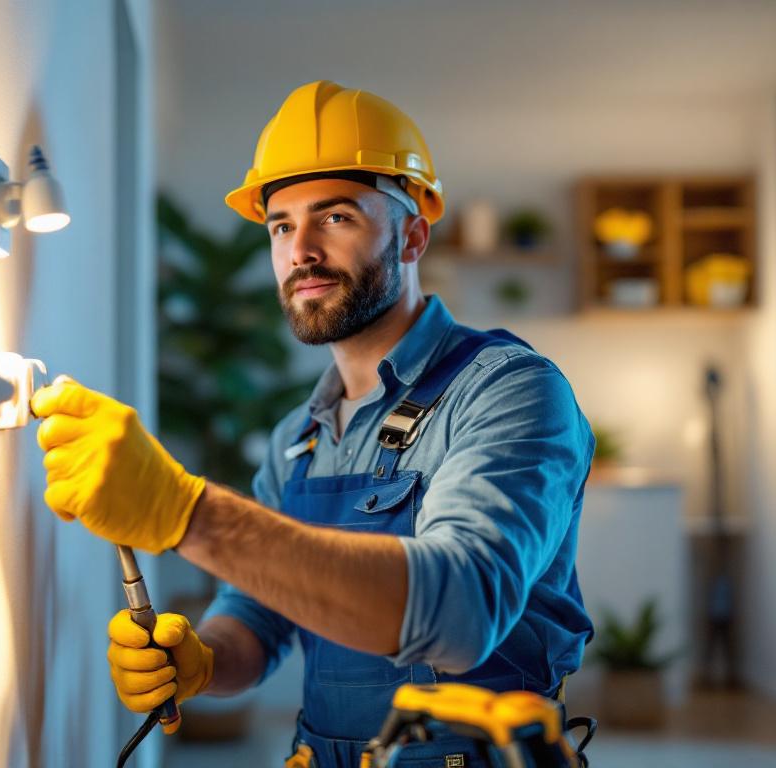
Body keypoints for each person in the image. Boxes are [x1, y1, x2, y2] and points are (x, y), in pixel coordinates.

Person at [30, 80, 595, 768]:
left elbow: (461, 612)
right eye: (280, 225)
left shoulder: (508, 391)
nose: (300, 250)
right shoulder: (298, 437)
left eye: (335, 218)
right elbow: (261, 619)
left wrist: (190, 516)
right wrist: (204, 658)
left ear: (413, 234)